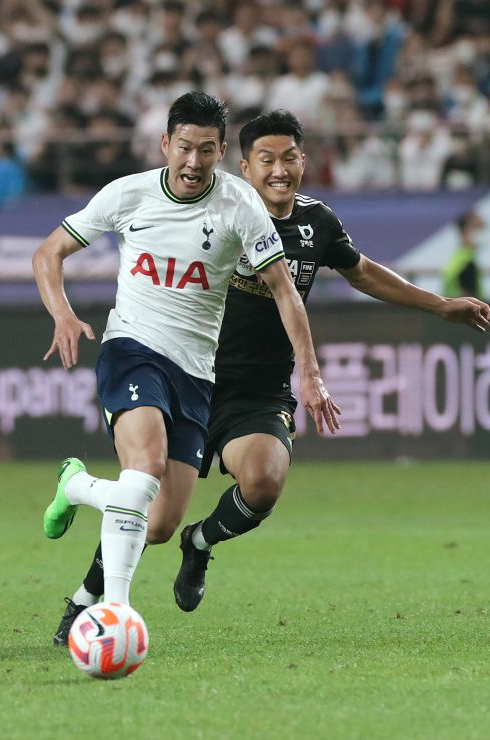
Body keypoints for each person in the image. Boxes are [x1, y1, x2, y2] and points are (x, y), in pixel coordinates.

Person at [50, 109, 490, 635]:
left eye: (290, 158)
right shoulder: (216, 210)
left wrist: (439, 305)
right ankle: (87, 599)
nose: (279, 170)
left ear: (304, 161)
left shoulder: (316, 224)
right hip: (190, 373)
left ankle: (202, 543)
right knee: (150, 512)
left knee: (262, 482)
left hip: (255, 391)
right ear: (244, 165)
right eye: (267, 160)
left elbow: (363, 273)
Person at [33, 93, 340, 639]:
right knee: (144, 468)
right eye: (183, 147)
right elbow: (49, 252)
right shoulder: (128, 195)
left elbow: (284, 290)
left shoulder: (240, 206)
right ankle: (115, 617)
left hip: (197, 374)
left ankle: (77, 488)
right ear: (164, 145)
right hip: (132, 350)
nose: (194, 162)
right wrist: (62, 313)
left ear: (222, 152)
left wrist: (309, 372)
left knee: (156, 524)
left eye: (206, 150)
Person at [442, 210, 485, 299]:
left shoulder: (459, 259)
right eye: (476, 230)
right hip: (463, 307)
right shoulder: (465, 263)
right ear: (465, 233)